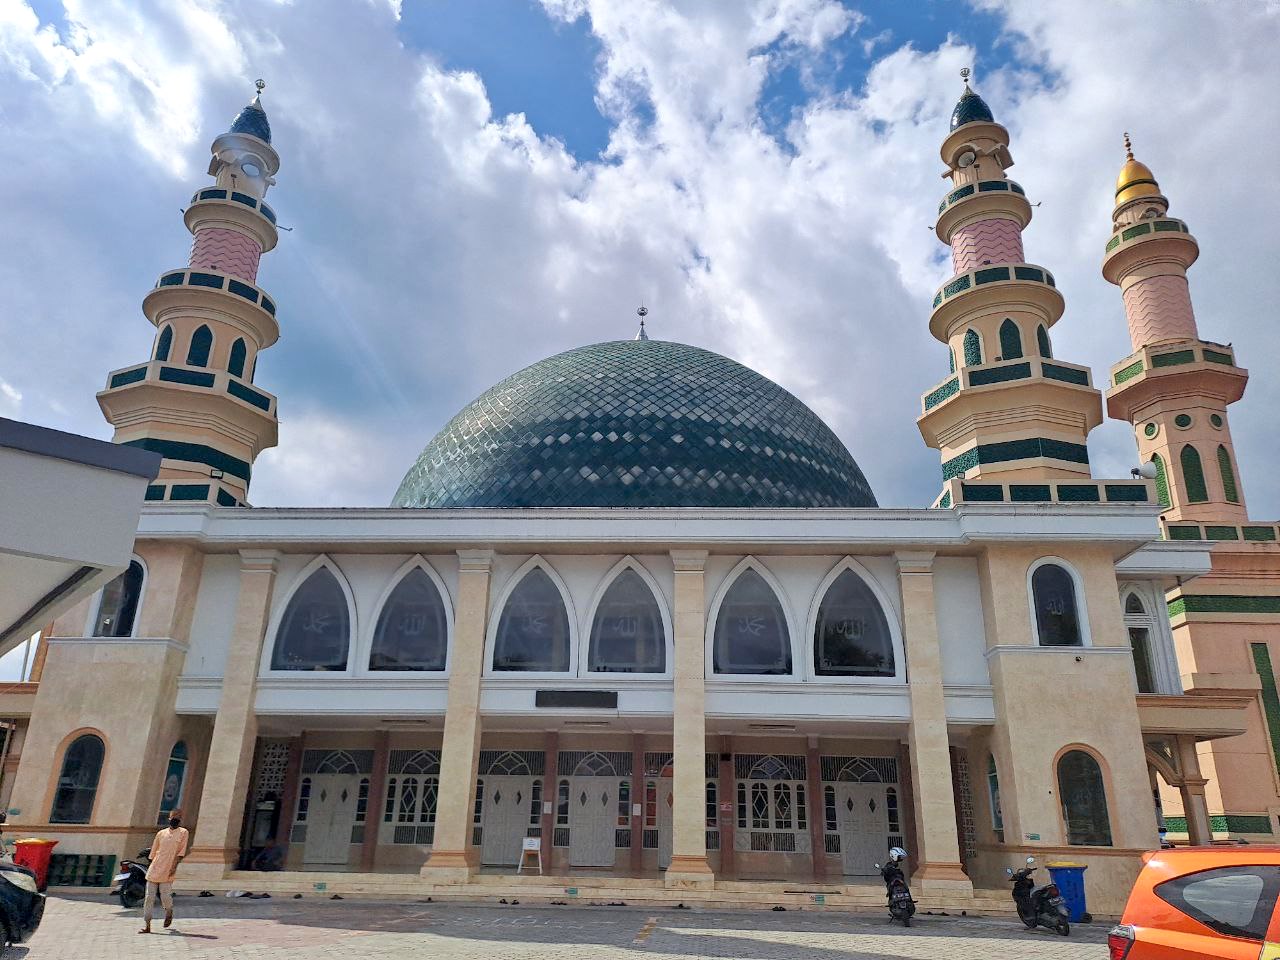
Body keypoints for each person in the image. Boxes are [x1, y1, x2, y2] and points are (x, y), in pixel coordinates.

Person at [139, 809, 189, 934]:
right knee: (149, 897)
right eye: (173, 816)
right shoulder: (161, 833)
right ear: (169, 818)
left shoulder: (183, 832)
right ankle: (147, 925)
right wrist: (151, 865)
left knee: (165, 896)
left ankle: (169, 911)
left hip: (168, 869)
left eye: (178, 817)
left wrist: (174, 867)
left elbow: (181, 853)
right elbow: (153, 853)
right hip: (155, 867)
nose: (175, 819)